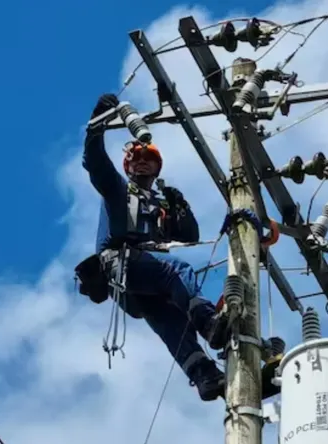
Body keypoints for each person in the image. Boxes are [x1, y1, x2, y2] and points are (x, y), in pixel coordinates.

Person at [75, 93, 229, 402]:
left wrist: (179, 206)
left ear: (157, 168)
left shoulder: (158, 206)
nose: (143, 163)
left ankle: (205, 376)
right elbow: (95, 164)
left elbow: (188, 235)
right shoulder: (117, 191)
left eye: (150, 160)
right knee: (177, 270)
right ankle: (208, 322)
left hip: (141, 285)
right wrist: (97, 125)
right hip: (120, 266)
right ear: (129, 166)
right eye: (138, 159)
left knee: (173, 324)